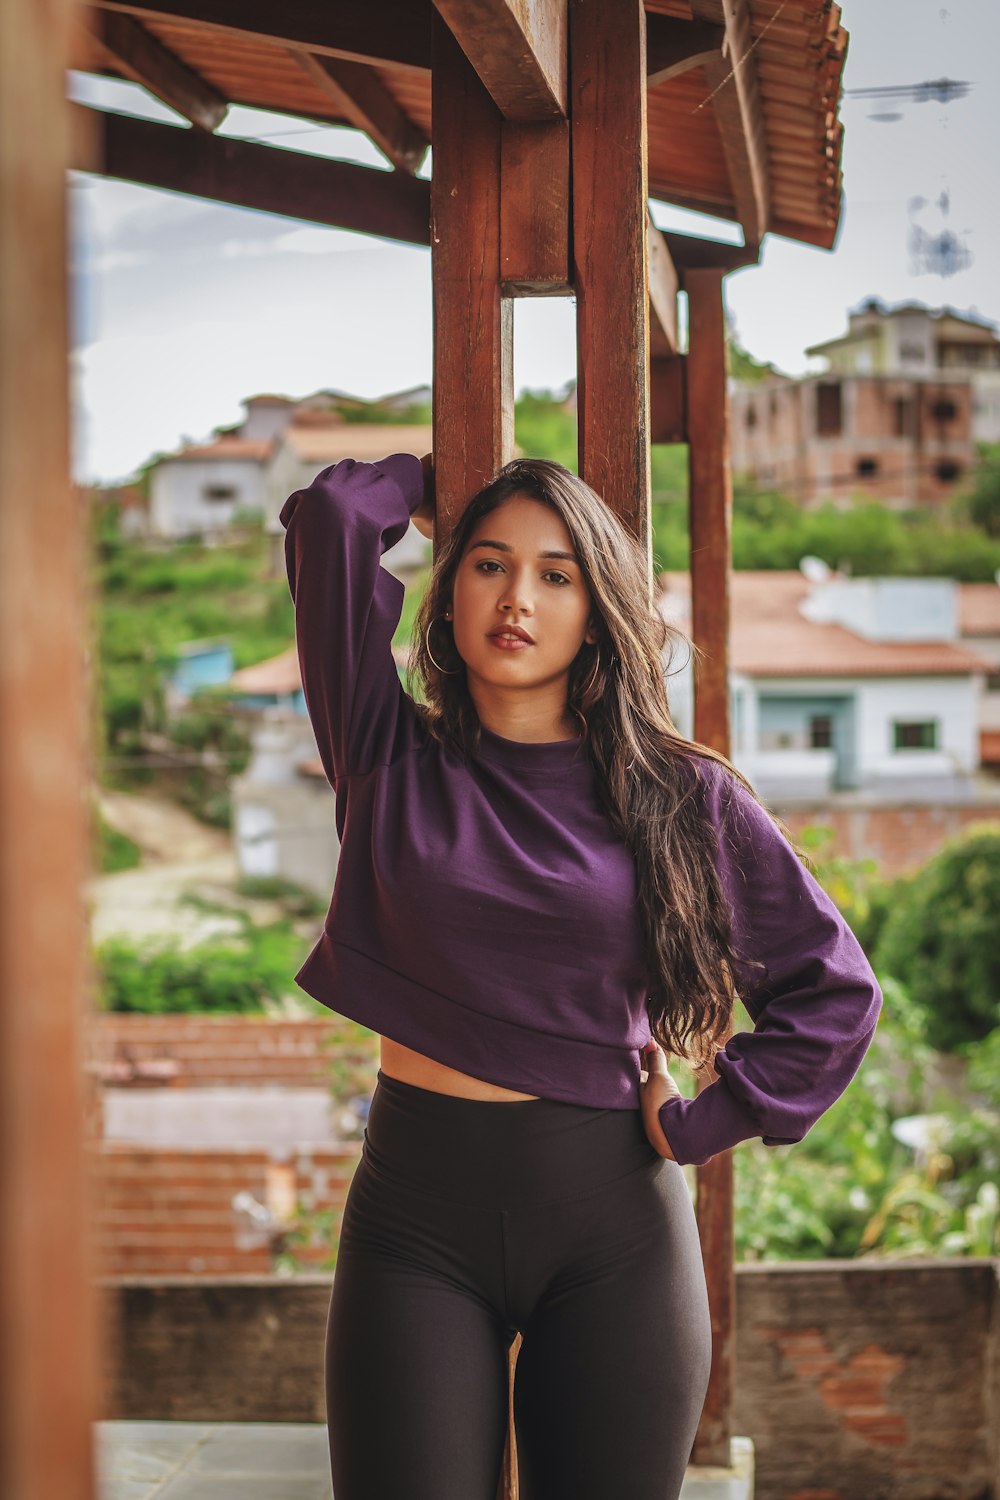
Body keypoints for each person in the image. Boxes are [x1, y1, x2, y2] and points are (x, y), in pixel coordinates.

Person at [279, 452, 882, 1500]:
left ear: (599, 614)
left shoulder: (678, 794)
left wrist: (706, 1124)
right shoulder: (383, 757)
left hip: (613, 1235)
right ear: (450, 588)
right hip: (412, 1227)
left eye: (557, 575)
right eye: (487, 564)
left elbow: (834, 995)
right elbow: (331, 518)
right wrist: (436, 477)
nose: (517, 599)